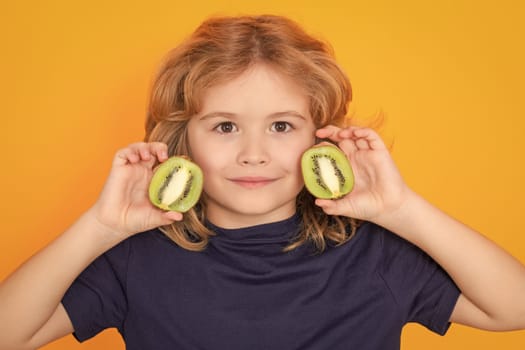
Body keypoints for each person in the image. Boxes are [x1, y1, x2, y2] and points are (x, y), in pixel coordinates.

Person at [1, 14, 525, 350]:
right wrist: (97, 227)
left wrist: (402, 210)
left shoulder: (376, 254)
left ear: (321, 142)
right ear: (185, 142)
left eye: (281, 126)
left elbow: (515, 308)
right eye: (225, 126)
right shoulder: (135, 258)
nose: (254, 154)